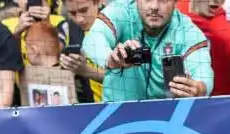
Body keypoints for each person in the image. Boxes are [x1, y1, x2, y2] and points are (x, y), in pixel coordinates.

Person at [82, 0, 214, 101]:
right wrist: (109, 58)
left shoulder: (188, 31)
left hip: (165, 121)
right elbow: (93, 39)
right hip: (118, 115)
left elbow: (203, 72)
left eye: (163, 0)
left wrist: (199, 88)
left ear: (175, 1)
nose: (154, 6)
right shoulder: (119, 11)